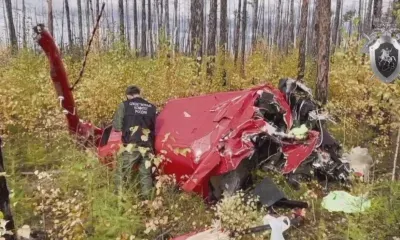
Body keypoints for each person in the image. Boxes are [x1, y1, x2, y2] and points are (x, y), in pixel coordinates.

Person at [112, 86, 157, 199]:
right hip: (148, 146)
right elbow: (153, 127)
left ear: (128, 95)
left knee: (121, 172)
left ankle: (119, 199)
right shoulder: (151, 107)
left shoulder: (125, 105)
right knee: (145, 175)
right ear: (139, 93)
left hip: (132, 146)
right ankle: (148, 202)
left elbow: (117, 127)